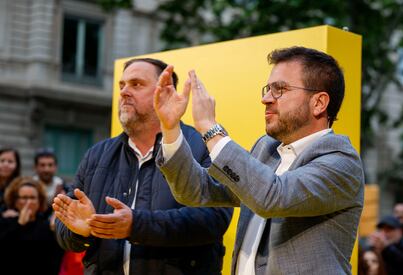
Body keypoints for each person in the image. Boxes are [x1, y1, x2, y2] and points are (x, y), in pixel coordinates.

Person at [154, 46, 365, 274]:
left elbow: (274, 197)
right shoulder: (266, 149)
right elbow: (196, 190)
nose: (265, 99)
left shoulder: (342, 162)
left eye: (279, 89)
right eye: (267, 89)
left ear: (319, 103)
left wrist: (210, 128)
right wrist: (170, 128)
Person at [53, 58, 233, 275]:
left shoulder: (202, 145)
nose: (124, 92)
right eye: (122, 85)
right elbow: (66, 228)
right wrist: (81, 230)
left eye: (136, 84)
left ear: (166, 92)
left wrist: (135, 225)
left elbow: (214, 219)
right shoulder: (97, 155)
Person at [0, 176, 64, 274]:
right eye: (24, 198)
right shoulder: (5, 223)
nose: (29, 202)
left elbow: (56, 260)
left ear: (39, 201)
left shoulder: (46, 226)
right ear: (16, 201)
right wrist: (19, 225)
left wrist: (54, 231)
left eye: (32, 198)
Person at [0, 148, 21, 213]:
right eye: (2, 161)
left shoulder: (21, 186)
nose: (5, 165)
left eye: (10, 161)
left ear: (17, 165)